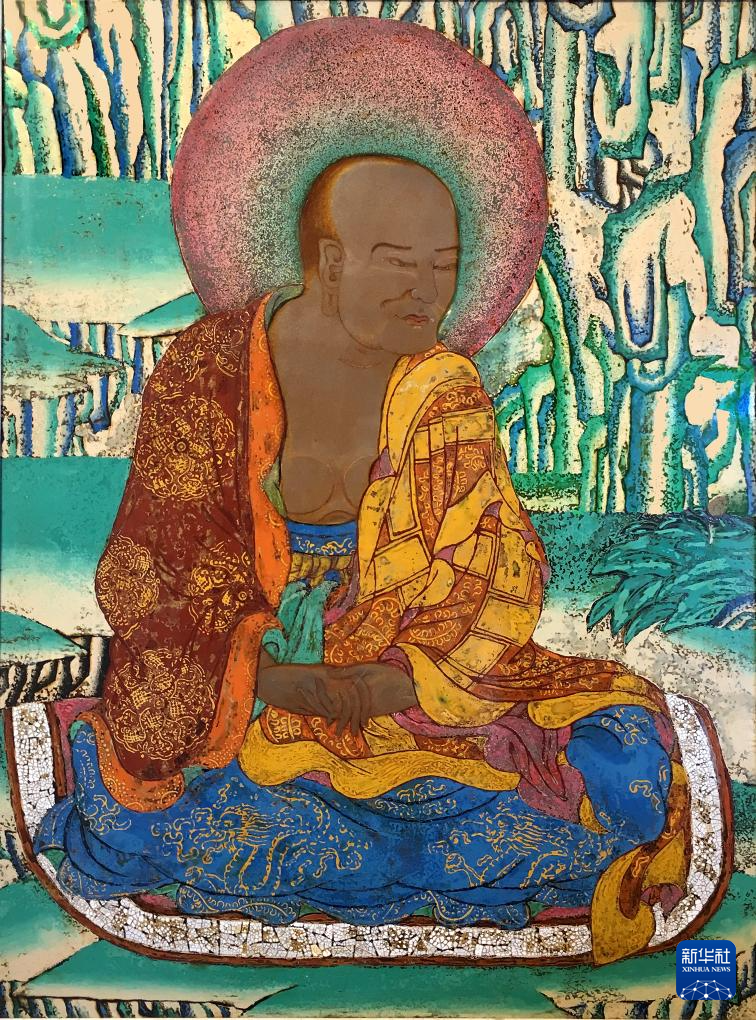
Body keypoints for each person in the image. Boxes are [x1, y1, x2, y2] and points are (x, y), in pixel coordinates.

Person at [35, 156, 689, 965]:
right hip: (248, 680)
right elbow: (155, 568)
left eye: (444, 266)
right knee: (202, 817)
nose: (428, 292)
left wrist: (402, 679)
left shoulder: (443, 386)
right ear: (331, 261)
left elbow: (492, 572)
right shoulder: (213, 370)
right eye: (400, 264)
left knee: (622, 757)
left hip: (415, 671)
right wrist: (268, 674)